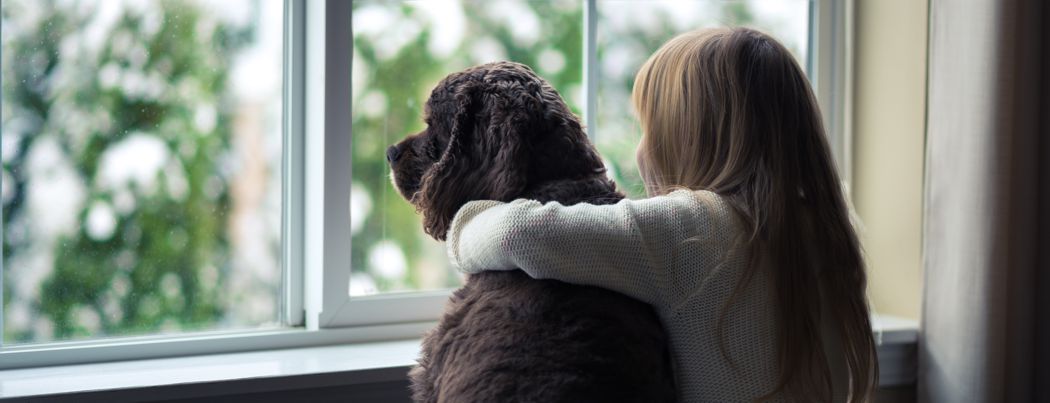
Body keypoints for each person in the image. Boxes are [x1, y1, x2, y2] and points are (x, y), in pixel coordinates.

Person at [446, 27, 877, 402]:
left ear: (689, 139)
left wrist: (462, 225)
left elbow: (522, 236)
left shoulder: (691, 230)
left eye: (648, 128)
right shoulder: (829, 229)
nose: (640, 149)